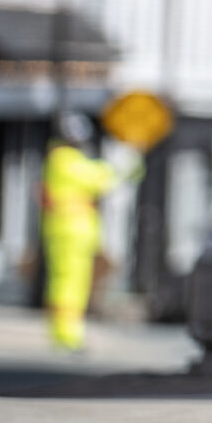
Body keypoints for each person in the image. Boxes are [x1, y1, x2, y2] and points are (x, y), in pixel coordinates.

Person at [40, 112, 133, 351]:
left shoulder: (63, 158)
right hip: (68, 230)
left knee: (74, 282)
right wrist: (122, 166)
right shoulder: (63, 159)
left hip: (73, 230)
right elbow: (97, 178)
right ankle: (66, 332)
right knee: (68, 282)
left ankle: (68, 331)